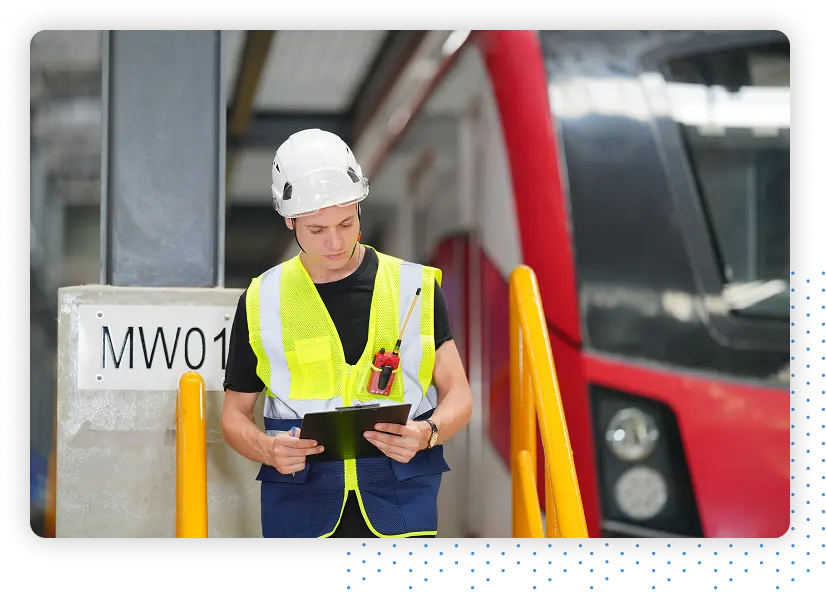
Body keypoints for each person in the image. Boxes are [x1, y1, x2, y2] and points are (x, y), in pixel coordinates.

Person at [220, 128, 473, 539]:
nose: (336, 242)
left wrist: (426, 434)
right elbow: (234, 416)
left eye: (346, 222)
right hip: (301, 510)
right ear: (289, 220)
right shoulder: (261, 299)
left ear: (358, 207)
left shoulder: (415, 288)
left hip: (401, 505)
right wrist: (267, 449)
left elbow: (459, 395)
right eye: (317, 230)